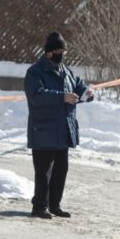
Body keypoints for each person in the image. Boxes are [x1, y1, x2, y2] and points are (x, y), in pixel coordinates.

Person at [24, 32, 93, 219]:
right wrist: (62, 97)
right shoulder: (35, 72)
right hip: (44, 131)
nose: (62, 54)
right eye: (59, 51)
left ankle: (55, 205)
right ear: (49, 52)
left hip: (63, 131)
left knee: (61, 170)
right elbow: (37, 95)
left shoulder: (66, 71)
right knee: (43, 172)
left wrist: (87, 92)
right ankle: (39, 206)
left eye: (64, 51)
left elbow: (79, 86)